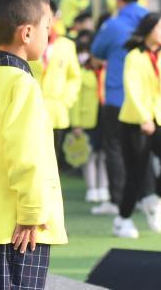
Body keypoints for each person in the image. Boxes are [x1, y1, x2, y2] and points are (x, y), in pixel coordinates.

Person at [0, 0, 67, 289]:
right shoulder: (22, 85)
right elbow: (26, 156)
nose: (48, 35)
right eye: (45, 27)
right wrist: (33, 213)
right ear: (26, 32)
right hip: (20, 229)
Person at [114, 12, 161, 238]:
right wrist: (143, 117)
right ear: (148, 29)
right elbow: (131, 88)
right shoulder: (134, 56)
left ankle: (155, 201)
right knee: (137, 172)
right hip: (134, 122)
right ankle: (122, 219)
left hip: (159, 120)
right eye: (159, 28)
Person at [89, 0, 148, 215]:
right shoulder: (150, 21)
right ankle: (145, 197)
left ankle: (118, 200)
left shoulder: (113, 25)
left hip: (117, 96)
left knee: (114, 148)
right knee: (142, 149)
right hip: (145, 98)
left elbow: (95, 55)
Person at [30, 0, 81, 168]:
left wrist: (66, 100)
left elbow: (74, 77)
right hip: (30, 108)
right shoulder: (26, 41)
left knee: (53, 161)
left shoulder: (66, 45)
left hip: (57, 111)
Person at [70, 30, 109, 203]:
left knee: (104, 154)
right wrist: (76, 123)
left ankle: (104, 187)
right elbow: (76, 100)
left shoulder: (108, 72)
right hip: (87, 119)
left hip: (104, 116)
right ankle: (92, 188)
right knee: (89, 154)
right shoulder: (82, 72)